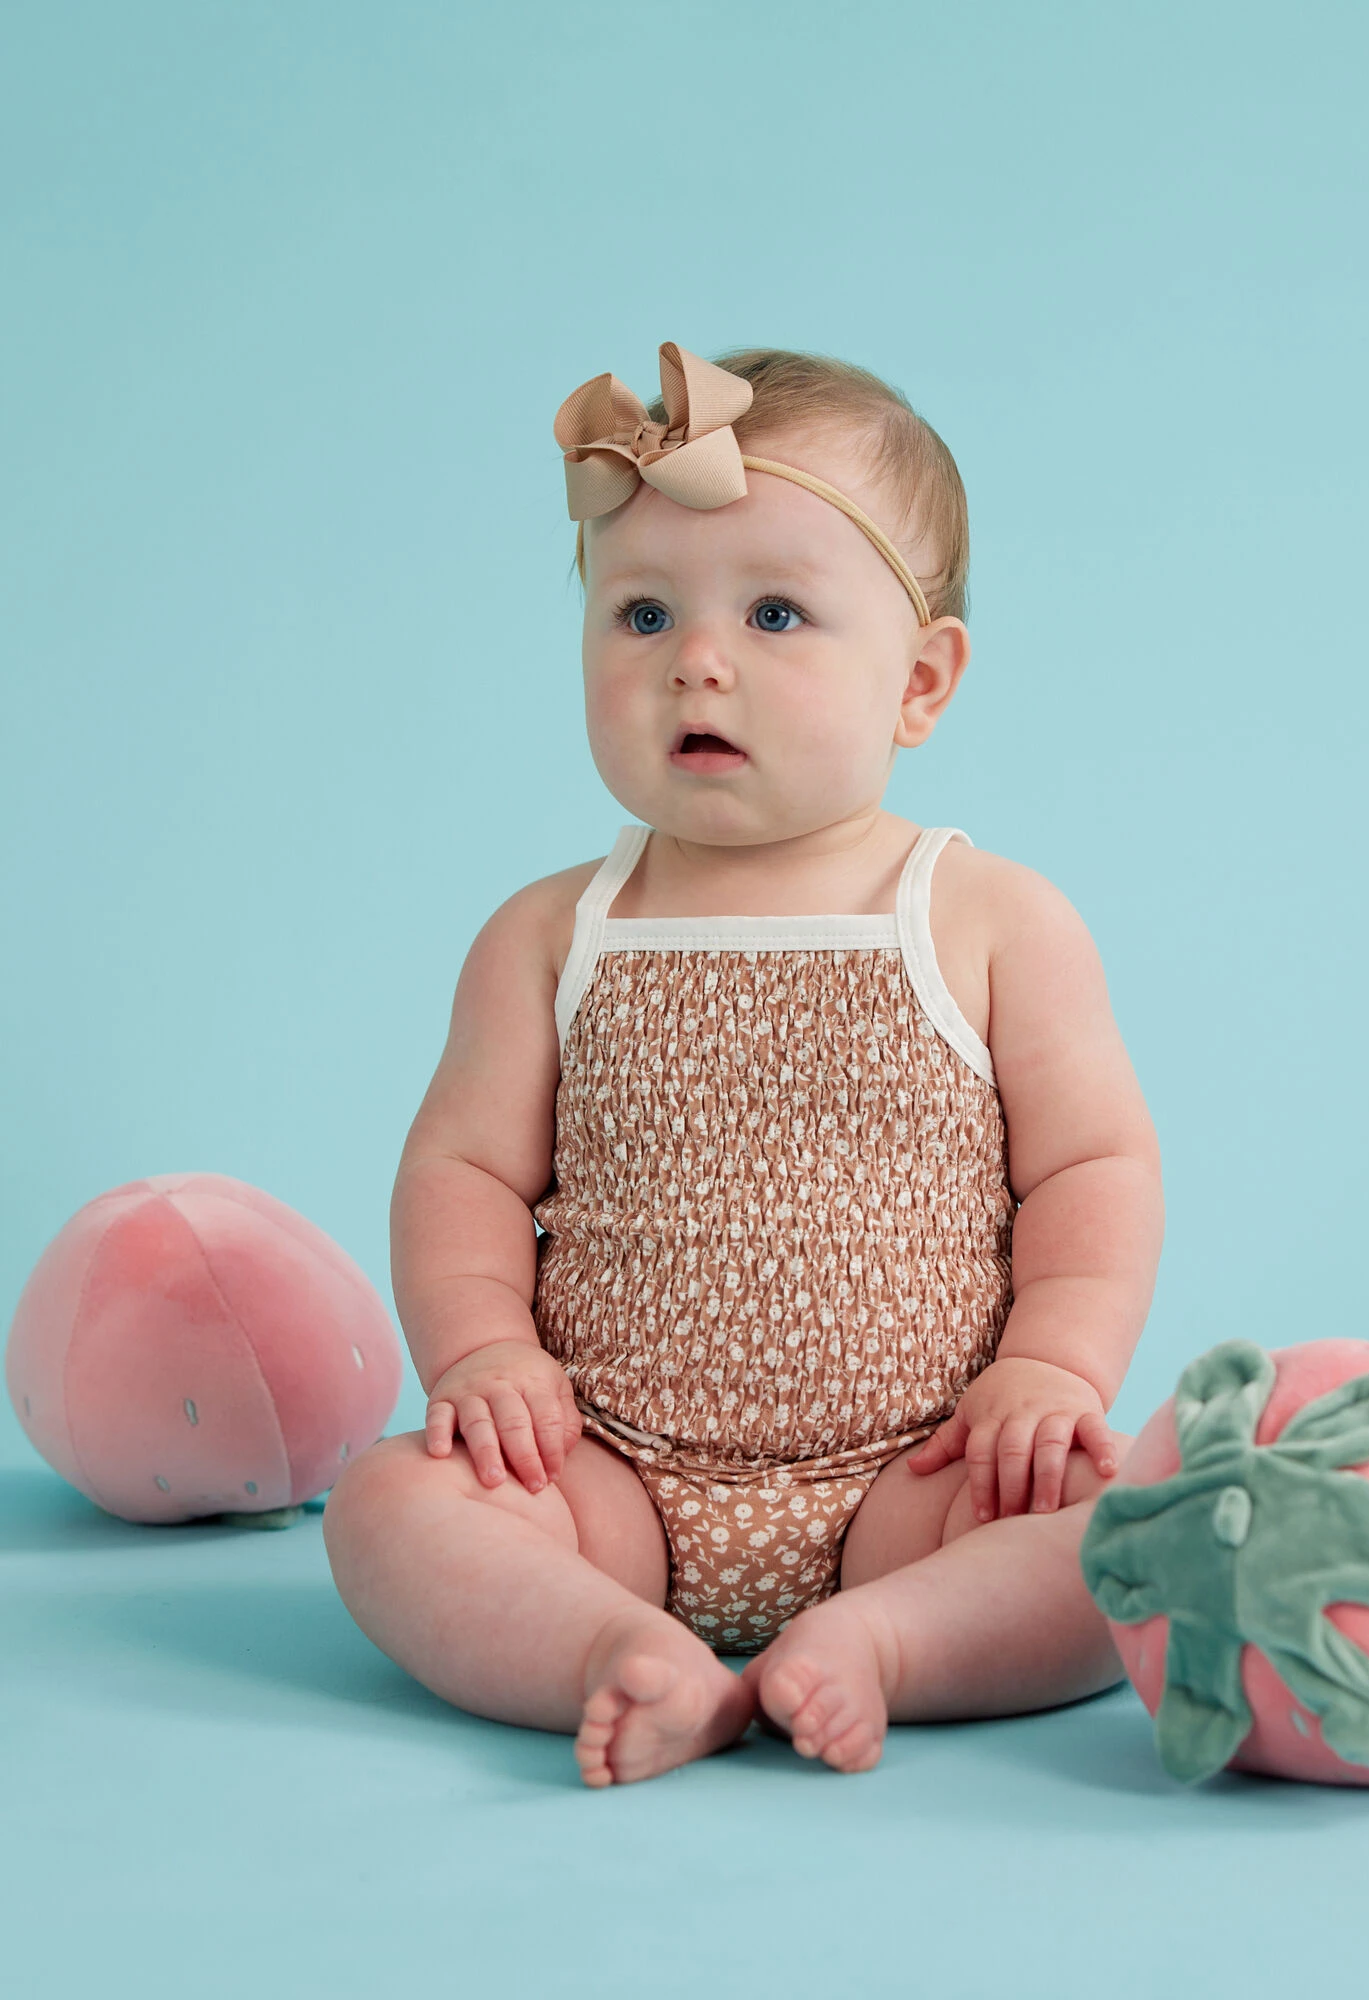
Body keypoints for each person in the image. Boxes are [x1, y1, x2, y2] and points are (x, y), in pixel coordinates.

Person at [323, 342, 1165, 1788]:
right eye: (641, 612)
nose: (695, 660)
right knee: (387, 1506)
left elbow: (1093, 1166)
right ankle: (612, 1649)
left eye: (775, 613)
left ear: (919, 682)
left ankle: (885, 1641)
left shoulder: (986, 920)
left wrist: (1048, 1368)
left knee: (1128, 1519)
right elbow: (461, 1170)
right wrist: (483, 1354)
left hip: (921, 1477)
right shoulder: (552, 935)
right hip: (604, 1474)